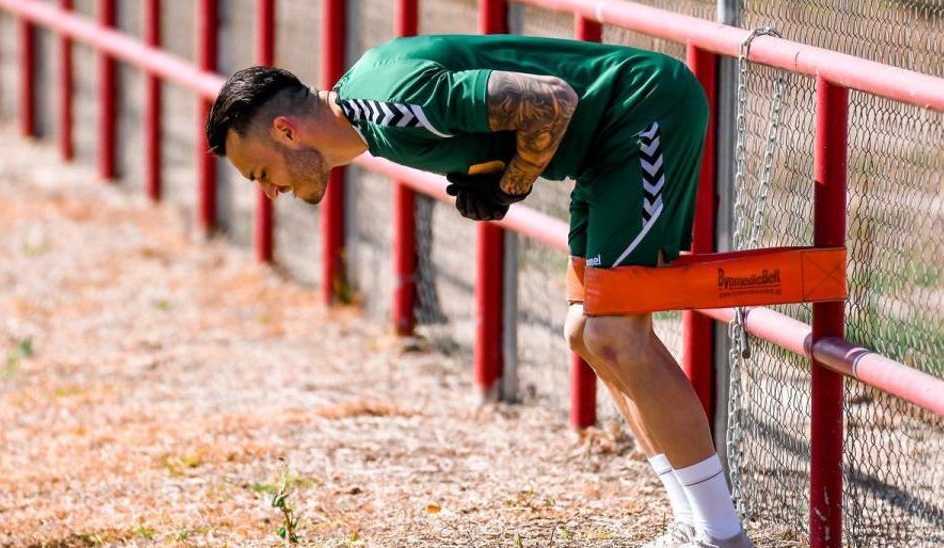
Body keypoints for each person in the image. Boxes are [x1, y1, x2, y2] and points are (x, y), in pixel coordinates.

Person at [204, 33, 749, 548]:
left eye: (260, 173)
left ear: (284, 131)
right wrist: (502, 170)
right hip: (602, 151)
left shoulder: (389, 105)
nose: (271, 191)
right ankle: (693, 524)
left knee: (616, 332)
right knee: (586, 332)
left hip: (643, 113)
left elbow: (551, 99)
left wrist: (511, 183)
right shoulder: (373, 115)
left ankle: (722, 534)